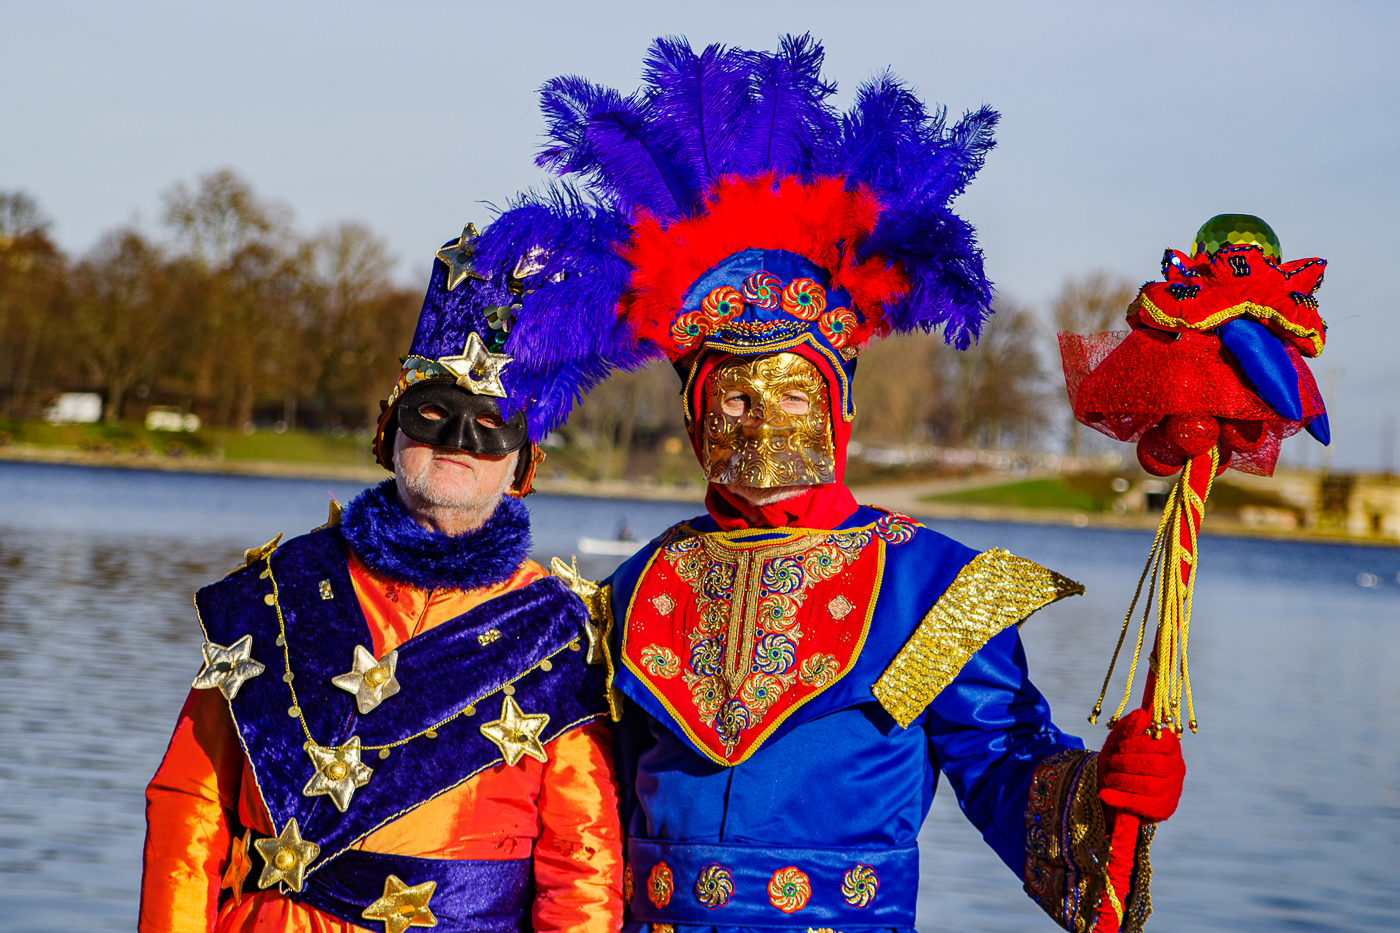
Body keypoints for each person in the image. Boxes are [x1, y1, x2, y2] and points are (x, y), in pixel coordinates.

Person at [457, 35, 1187, 932]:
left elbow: (1002, 769)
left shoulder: (933, 590)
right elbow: (568, 801)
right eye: (734, 394)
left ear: (841, 411)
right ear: (694, 419)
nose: (763, 421)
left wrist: (1098, 797)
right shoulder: (632, 589)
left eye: (793, 390)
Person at [139, 226, 635, 932]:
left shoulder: (557, 634)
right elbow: (190, 803)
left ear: (523, 463)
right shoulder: (278, 594)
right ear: (388, 430)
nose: (457, 440)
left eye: (490, 422)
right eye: (431, 412)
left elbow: (583, 866)